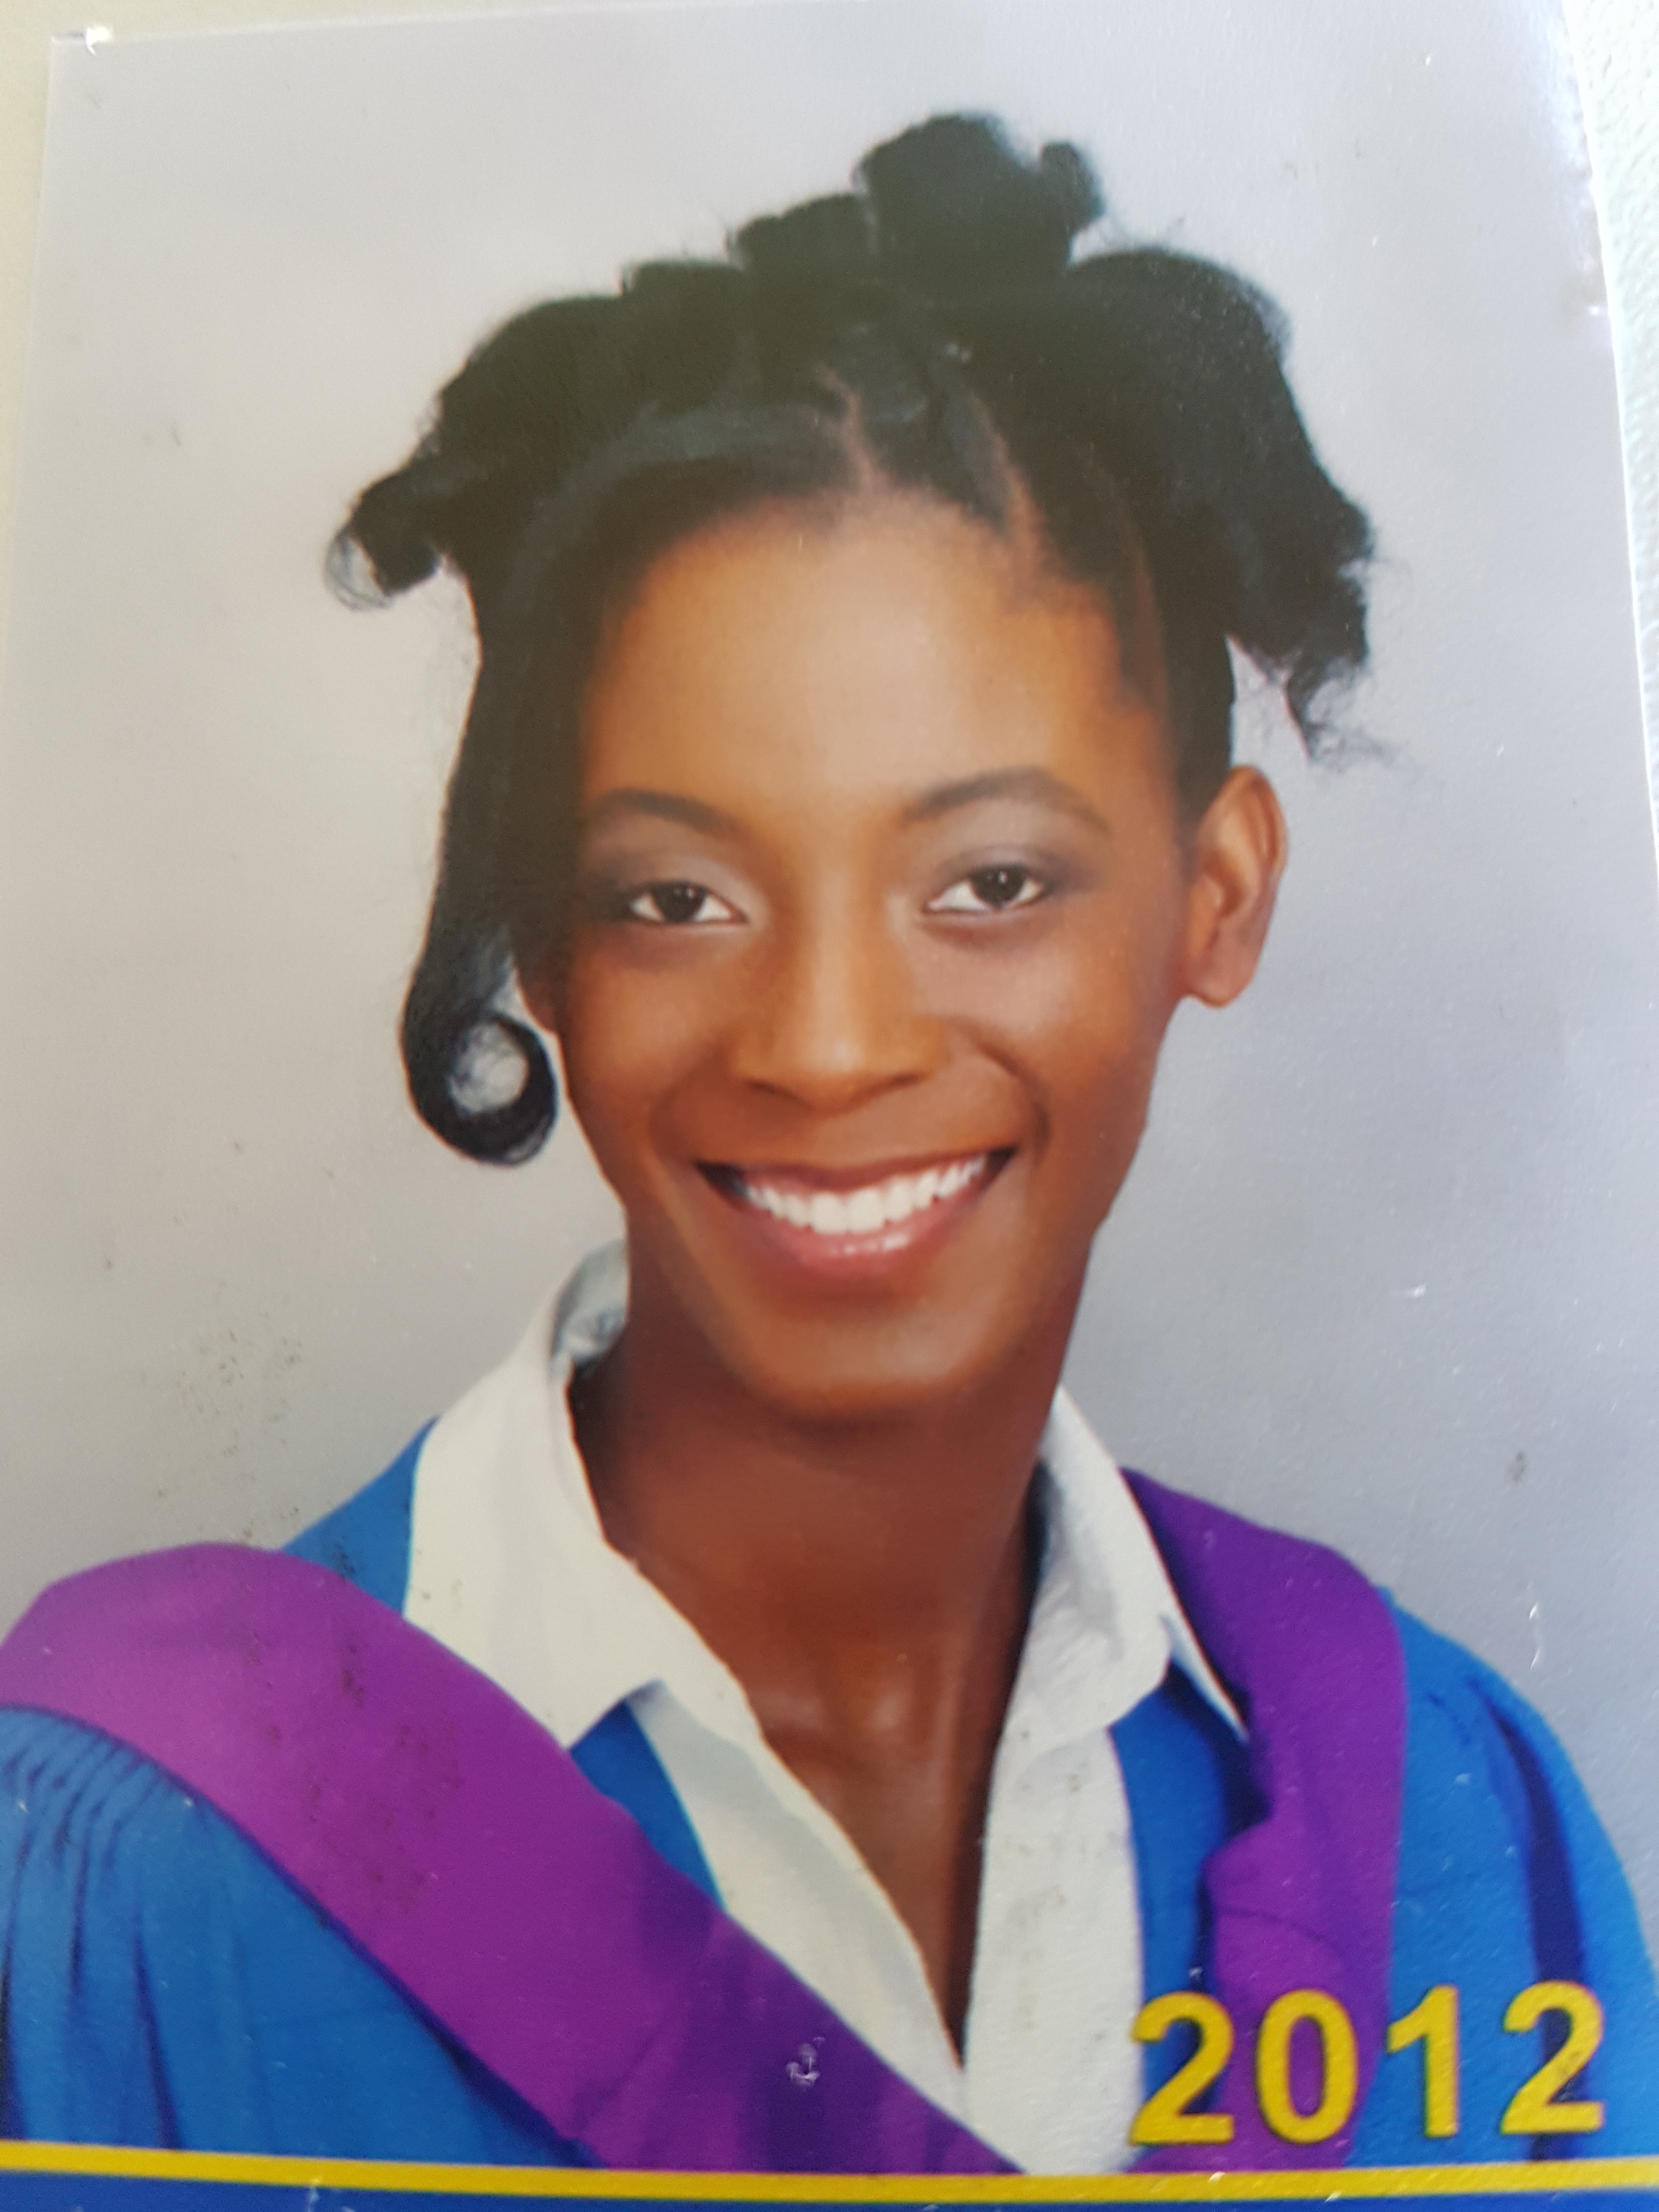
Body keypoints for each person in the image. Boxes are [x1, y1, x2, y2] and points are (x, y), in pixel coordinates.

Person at [0, 115, 1654, 2176]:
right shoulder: (137, 1870)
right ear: (545, 949)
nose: (828, 1047)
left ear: (1217, 897)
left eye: (993, 883)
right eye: (677, 899)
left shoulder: (1453, 1829)